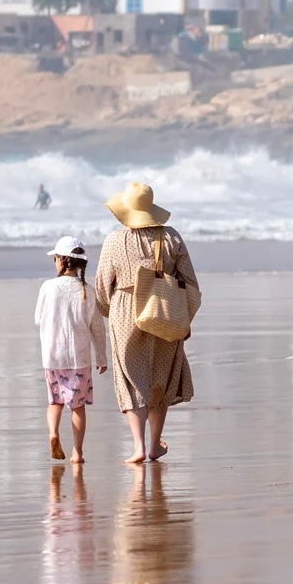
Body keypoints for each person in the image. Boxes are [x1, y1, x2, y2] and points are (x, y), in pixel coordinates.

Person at [95, 182, 202, 466]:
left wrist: (113, 312)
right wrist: (184, 319)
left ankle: (139, 446)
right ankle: (155, 445)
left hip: (125, 311)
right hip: (165, 310)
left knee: (131, 380)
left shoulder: (114, 241)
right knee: (159, 379)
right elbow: (190, 283)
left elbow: (103, 288)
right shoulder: (171, 238)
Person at [35, 236, 107, 464]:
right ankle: (77, 453)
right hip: (79, 358)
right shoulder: (87, 290)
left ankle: (53, 433)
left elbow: (38, 318)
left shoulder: (47, 287)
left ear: (61, 261)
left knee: (54, 402)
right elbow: (97, 327)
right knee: (77, 407)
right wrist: (102, 357)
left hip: (52, 356)